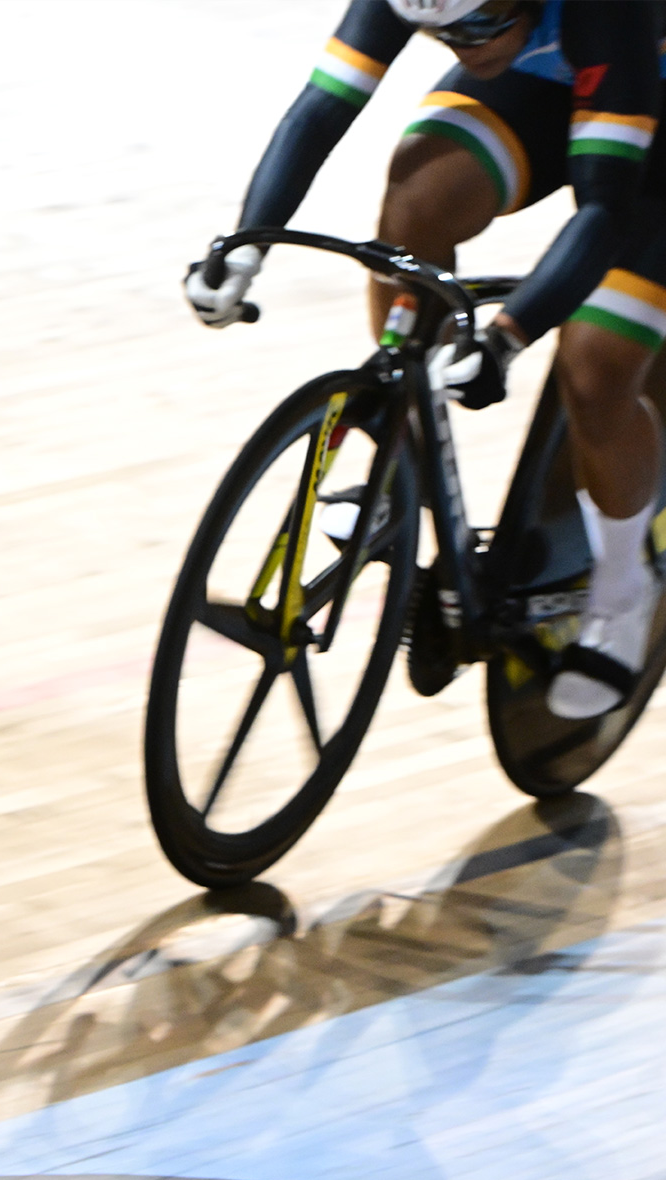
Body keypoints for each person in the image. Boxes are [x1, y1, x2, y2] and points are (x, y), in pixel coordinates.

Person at [187, 0, 666, 718]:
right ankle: (398, 467)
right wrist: (245, 245)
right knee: (415, 197)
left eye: (478, 27)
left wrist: (506, 335)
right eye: (441, 33)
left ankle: (626, 590)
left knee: (595, 367)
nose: (462, 49)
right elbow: (321, 108)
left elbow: (605, 208)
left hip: (645, 110)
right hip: (549, 78)